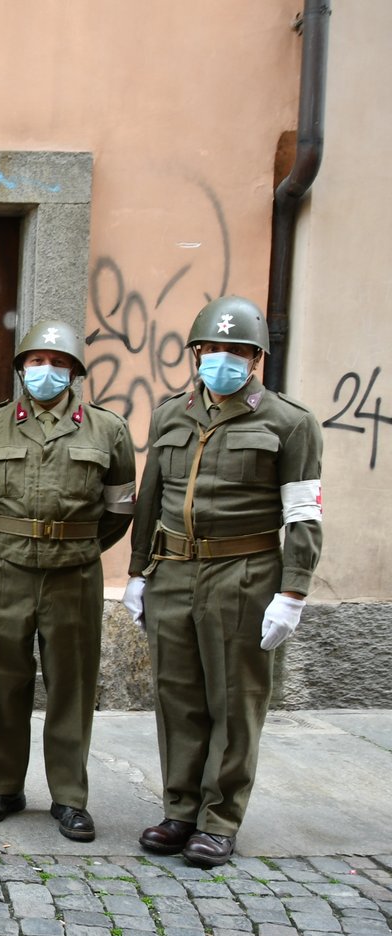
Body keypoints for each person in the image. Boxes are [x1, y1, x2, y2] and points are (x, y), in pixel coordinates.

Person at [126, 296, 323, 868]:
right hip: (174, 572)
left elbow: (303, 513)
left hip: (243, 575)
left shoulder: (289, 422)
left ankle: (219, 819)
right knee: (177, 698)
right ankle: (179, 809)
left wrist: (293, 591)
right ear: (197, 353)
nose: (223, 360)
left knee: (235, 703)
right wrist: (138, 573)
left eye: (237, 351)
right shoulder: (171, 414)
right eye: (212, 349)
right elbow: (151, 500)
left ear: (256, 358)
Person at [0, 320, 136, 842]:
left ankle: (70, 797)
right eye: (36, 362)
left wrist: (78, 544)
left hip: (74, 572)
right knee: (1, 679)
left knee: (71, 685)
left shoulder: (107, 430)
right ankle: (3, 786)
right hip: (5, 569)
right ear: (21, 369)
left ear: (75, 372)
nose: (46, 371)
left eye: (58, 364)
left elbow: (119, 508)